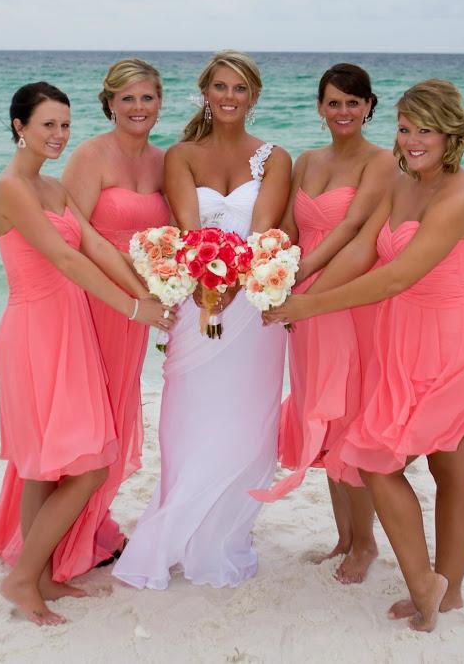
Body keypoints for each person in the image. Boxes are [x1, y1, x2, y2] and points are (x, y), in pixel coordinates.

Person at [266, 79, 464, 632]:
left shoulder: (459, 197)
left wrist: (312, 305)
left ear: (452, 134)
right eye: (405, 128)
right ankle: (432, 586)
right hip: (407, 338)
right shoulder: (400, 184)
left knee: (432, 465)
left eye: (426, 130)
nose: (413, 140)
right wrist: (297, 293)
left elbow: (396, 275)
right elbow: (362, 249)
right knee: (386, 458)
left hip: (455, 340)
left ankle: (440, 590)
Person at [0, 82, 174, 625]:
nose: (59, 136)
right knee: (87, 466)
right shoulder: (11, 188)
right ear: (19, 126)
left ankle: (37, 573)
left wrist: (146, 292)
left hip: (69, 327)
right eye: (47, 125)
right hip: (35, 331)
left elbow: (94, 247)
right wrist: (134, 311)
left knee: (47, 467)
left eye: (65, 125)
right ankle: (23, 582)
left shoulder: (50, 188)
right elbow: (67, 264)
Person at [113, 50, 292, 589]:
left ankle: (225, 532)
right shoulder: (181, 155)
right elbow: (190, 233)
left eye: (239, 88)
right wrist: (209, 289)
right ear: (205, 94)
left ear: (254, 96)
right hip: (198, 304)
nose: (229, 97)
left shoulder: (276, 158)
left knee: (246, 422)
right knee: (189, 416)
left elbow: (264, 234)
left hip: (254, 311)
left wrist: (236, 284)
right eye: (220, 87)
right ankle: (178, 526)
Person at [254, 64, 397, 585]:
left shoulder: (383, 161)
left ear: (369, 106)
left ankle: (366, 544)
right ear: (319, 107)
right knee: (321, 409)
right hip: (302, 293)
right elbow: (292, 225)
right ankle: (344, 537)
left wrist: (305, 275)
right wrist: (271, 265)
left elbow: (355, 225)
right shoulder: (309, 160)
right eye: (334, 102)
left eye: (353, 103)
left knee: (348, 412)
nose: (344, 112)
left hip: (343, 291)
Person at [62, 59, 170, 565]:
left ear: (160, 103)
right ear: (108, 104)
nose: (137, 108)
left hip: (138, 310)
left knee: (118, 409)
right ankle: (64, 536)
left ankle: (94, 523)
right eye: (126, 98)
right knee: (88, 416)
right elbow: (75, 238)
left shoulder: (164, 162)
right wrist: (132, 293)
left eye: (146, 97)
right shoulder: (89, 156)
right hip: (97, 302)